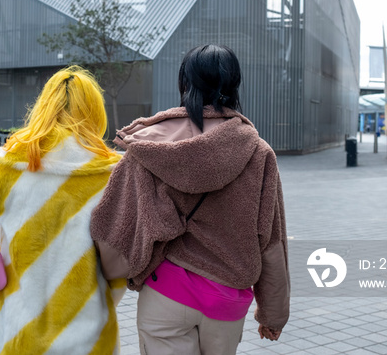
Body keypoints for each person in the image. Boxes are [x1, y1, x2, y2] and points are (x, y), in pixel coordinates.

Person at [91, 44, 289, 355]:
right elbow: (271, 238)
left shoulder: (147, 144)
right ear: (234, 85)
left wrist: (118, 270)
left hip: (165, 292)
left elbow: (114, 219)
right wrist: (273, 313)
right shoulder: (259, 153)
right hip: (227, 297)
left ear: (185, 83)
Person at [0, 66, 124, 355]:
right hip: (87, 332)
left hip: (20, 333)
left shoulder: (9, 165)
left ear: (42, 107)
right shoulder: (112, 173)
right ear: (95, 111)